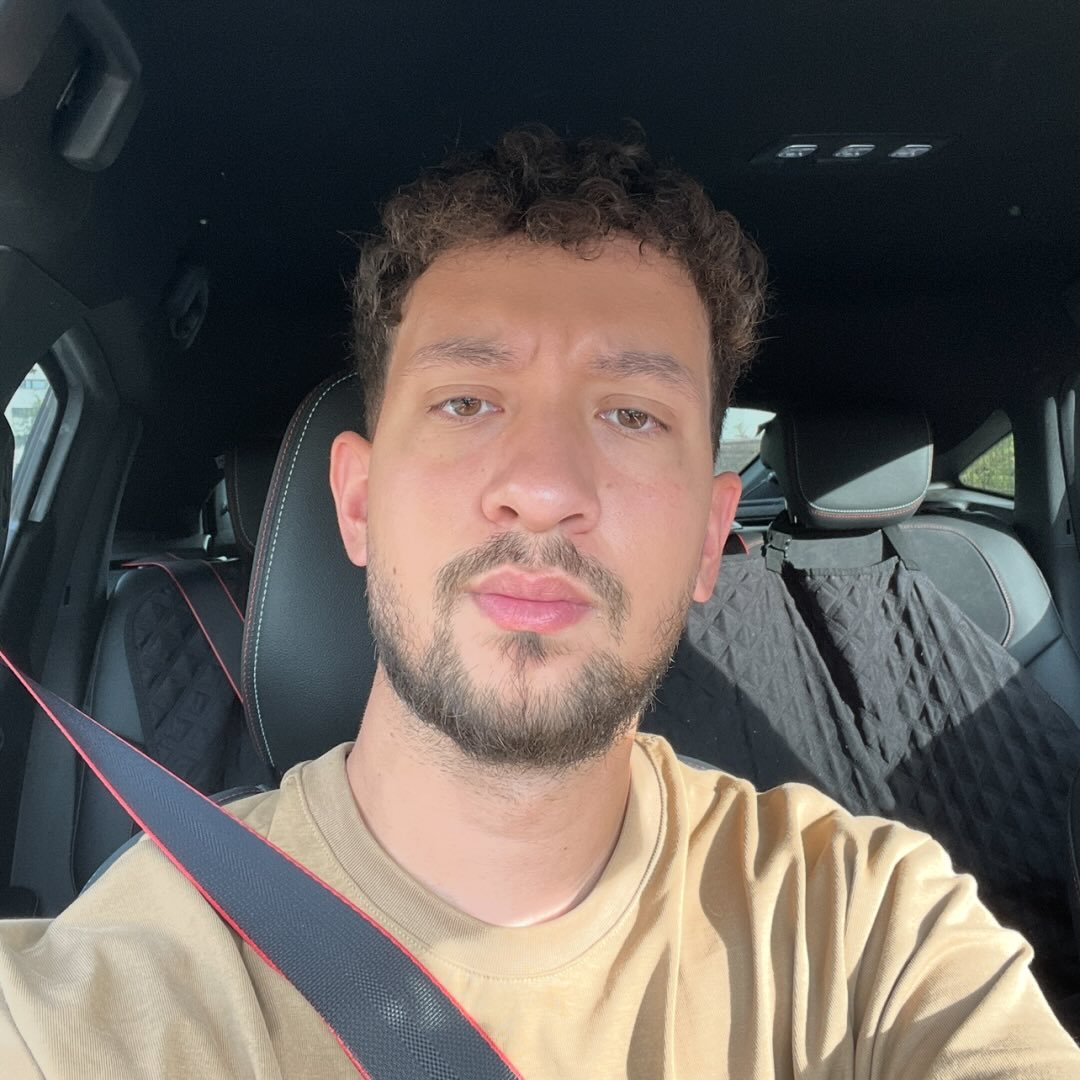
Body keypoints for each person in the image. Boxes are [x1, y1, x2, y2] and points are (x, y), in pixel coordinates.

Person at [1, 126, 1078, 1079]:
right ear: (359, 504)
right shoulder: (111, 999)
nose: (547, 486)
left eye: (632, 414)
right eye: (468, 400)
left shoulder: (867, 928)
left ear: (709, 539)